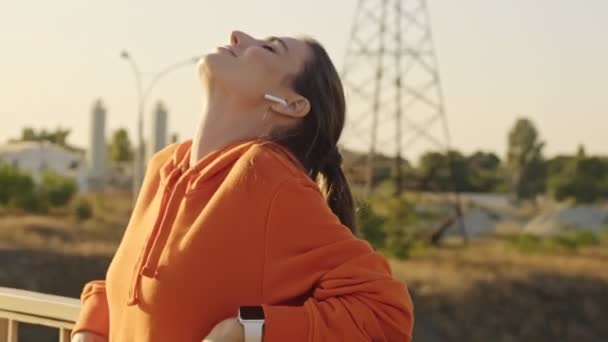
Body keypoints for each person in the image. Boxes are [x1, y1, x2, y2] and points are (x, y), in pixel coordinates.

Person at [71, 30, 414, 342]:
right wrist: (92, 326)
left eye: (268, 48)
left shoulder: (268, 178)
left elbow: (385, 314)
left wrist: (249, 329)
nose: (237, 36)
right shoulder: (166, 166)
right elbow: (135, 288)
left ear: (292, 104)